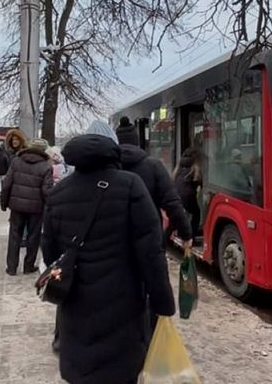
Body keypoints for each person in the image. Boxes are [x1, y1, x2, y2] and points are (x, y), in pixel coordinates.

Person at [42, 131, 175, 383]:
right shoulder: (130, 185)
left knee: (82, 373)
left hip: (76, 305)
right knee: (121, 373)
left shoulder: (58, 194)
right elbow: (151, 251)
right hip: (122, 304)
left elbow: (50, 252)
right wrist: (162, 303)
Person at [109, 119, 192, 249]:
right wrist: (186, 233)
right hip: (150, 239)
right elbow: (172, 203)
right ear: (137, 141)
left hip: (116, 242)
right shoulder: (154, 166)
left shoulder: (108, 168)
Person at [0, 138, 53, 275]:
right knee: (33, 237)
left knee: (14, 236)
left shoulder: (17, 160)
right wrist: (51, 207)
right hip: (36, 208)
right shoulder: (46, 166)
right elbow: (46, 191)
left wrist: (4, 203)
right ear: (44, 150)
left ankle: (11, 268)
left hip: (16, 206)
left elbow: (6, 184)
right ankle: (28, 266)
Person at [175, 147, 204, 241]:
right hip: (188, 195)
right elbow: (199, 181)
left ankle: (182, 232)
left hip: (178, 193)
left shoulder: (180, 167)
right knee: (196, 213)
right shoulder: (195, 168)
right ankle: (192, 236)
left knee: (186, 213)